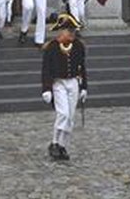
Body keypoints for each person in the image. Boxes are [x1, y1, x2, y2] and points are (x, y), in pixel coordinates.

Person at [41, 13, 87, 161]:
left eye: (73, 30)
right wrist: (46, 89)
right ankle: (54, 142)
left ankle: (62, 145)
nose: (73, 33)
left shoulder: (78, 46)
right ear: (61, 31)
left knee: (70, 117)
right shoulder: (52, 47)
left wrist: (84, 87)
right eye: (69, 30)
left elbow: (82, 67)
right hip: (58, 83)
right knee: (63, 114)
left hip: (73, 82)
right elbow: (46, 70)